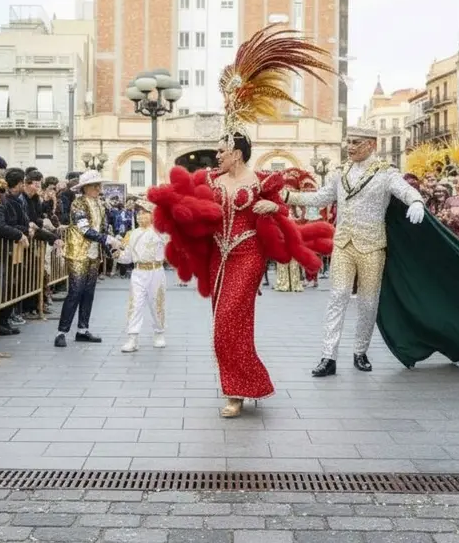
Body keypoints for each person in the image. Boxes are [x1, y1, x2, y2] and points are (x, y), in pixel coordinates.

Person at [150, 26, 335, 417]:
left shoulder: (264, 180)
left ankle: (236, 392)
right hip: (219, 256)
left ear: (237, 151)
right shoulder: (212, 181)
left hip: (249, 254)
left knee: (230, 321)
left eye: (221, 150)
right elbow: (194, 211)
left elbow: (283, 211)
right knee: (223, 324)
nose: (215, 156)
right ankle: (244, 384)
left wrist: (273, 209)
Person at [286, 134, 459, 373]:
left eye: (356, 142)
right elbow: (319, 198)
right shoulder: (340, 173)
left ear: (371, 145)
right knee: (338, 296)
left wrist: (417, 202)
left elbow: (407, 191)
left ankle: (360, 352)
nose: (350, 147)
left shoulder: (385, 173)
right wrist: (286, 195)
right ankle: (328, 356)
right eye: (349, 142)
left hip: (373, 246)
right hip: (344, 244)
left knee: (368, 302)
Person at [54, 171, 122, 348]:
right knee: (75, 291)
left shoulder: (100, 204)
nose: (99, 189)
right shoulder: (78, 203)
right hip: (78, 252)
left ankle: (83, 329)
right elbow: (84, 230)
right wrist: (107, 240)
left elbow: (103, 230)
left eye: (99, 185)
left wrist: (110, 248)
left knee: (89, 292)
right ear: (85, 188)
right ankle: (61, 332)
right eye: (95, 186)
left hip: (93, 254)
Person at [119, 200, 168, 353]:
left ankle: (159, 333)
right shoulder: (131, 234)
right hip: (138, 272)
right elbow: (126, 258)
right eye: (138, 213)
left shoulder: (160, 232)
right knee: (135, 304)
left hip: (156, 272)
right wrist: (116, 253)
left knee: (157, 304)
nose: (139, 217)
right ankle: (132, 337)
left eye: (143, 213)